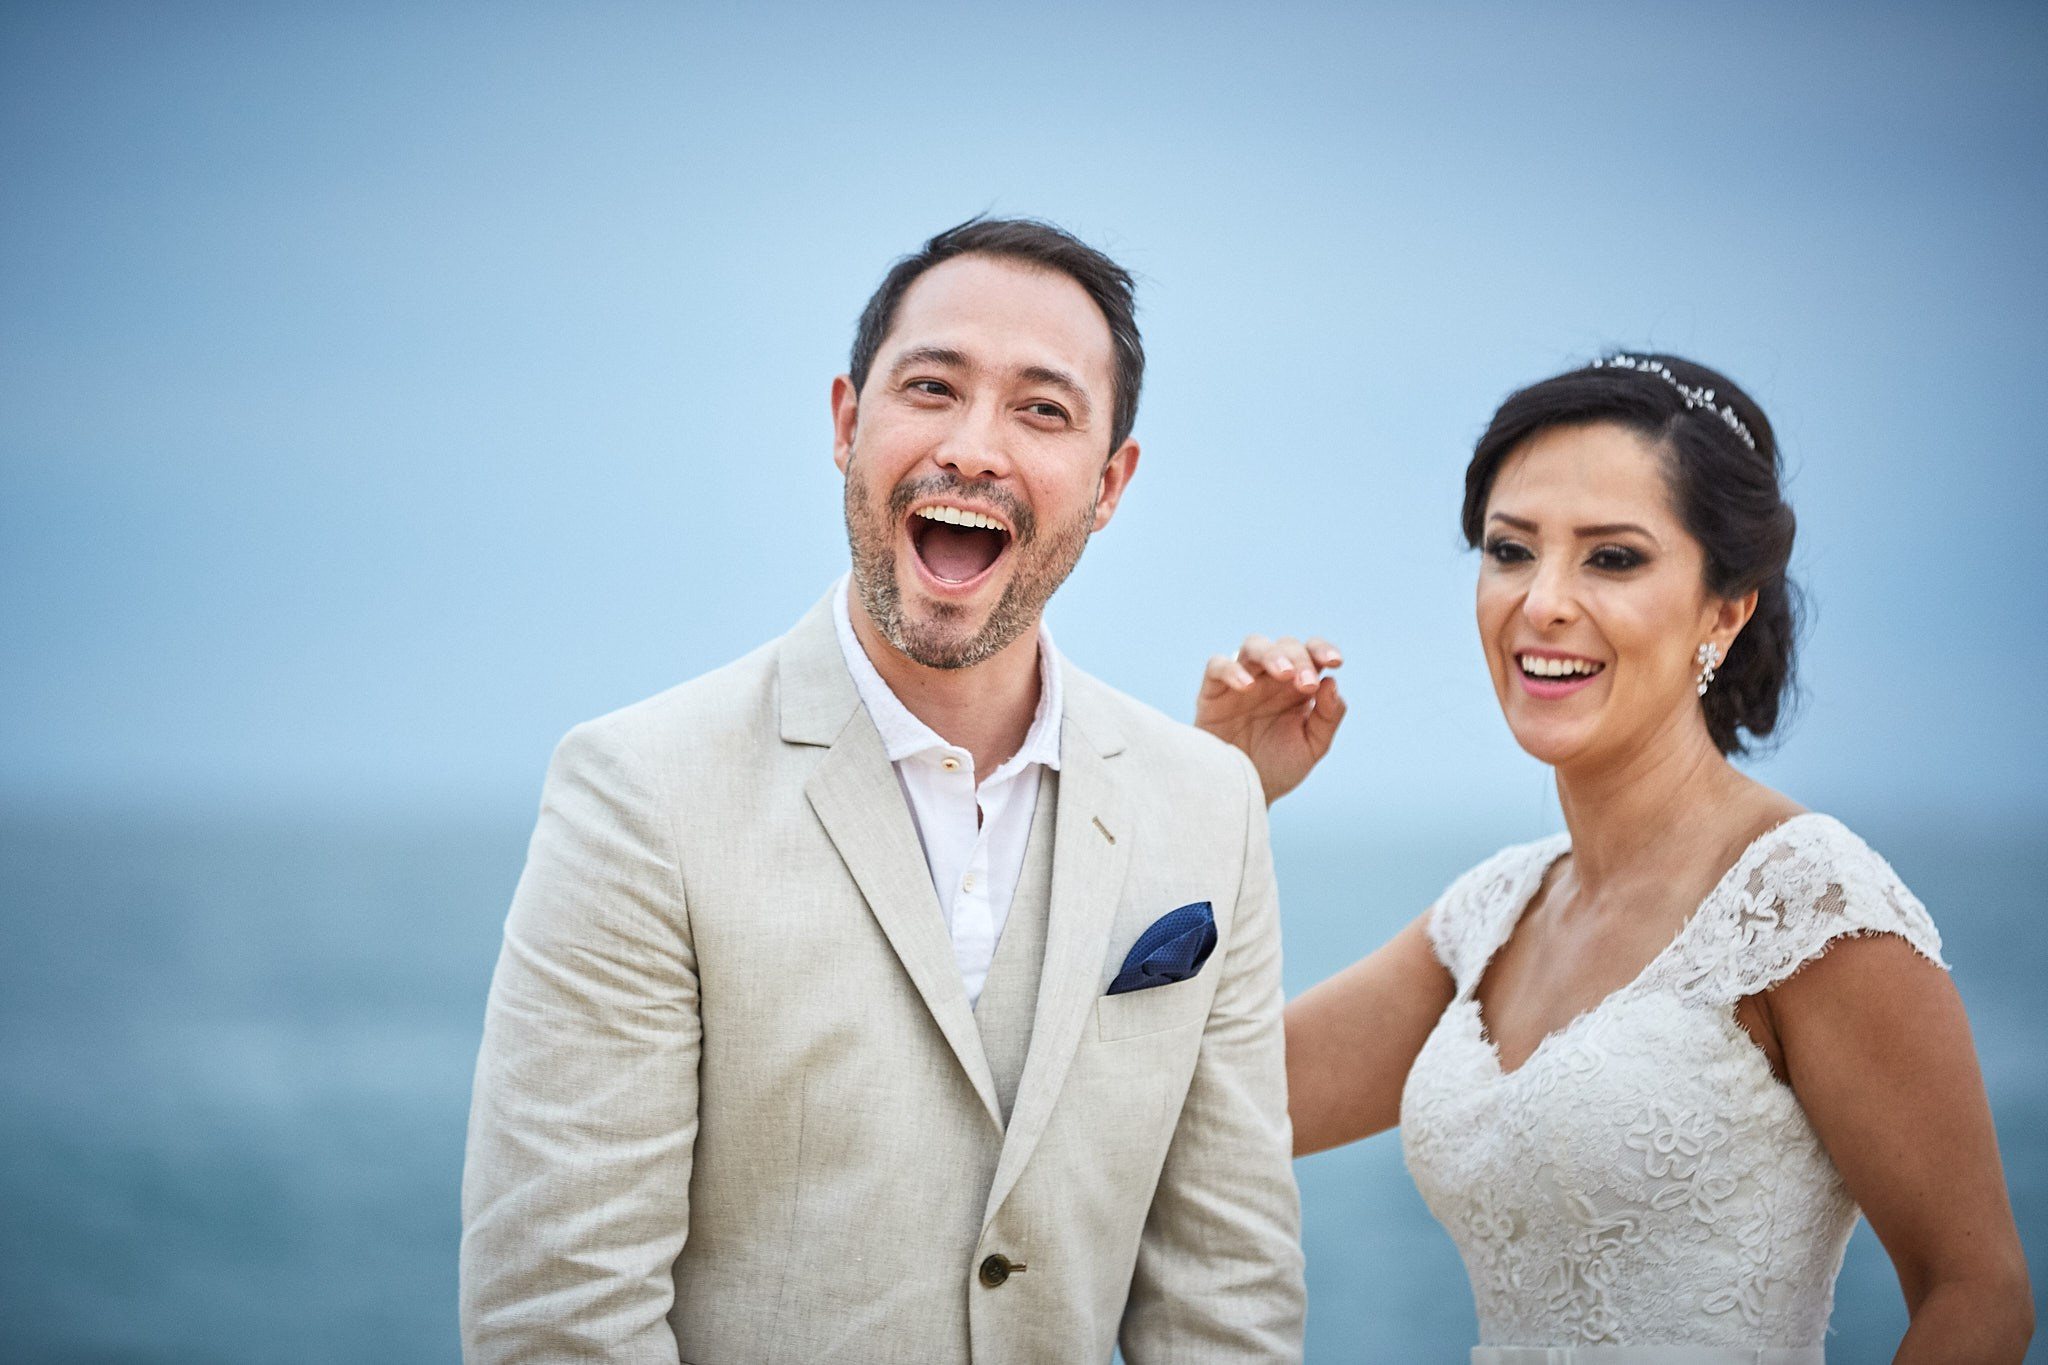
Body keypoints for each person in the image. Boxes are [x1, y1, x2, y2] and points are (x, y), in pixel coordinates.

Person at [460, 218, 1305, 1364]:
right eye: (931, 387)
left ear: (1109, 486)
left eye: (1040, 410)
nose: (972, 447)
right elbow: (562, 1313)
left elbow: (1227, 1297)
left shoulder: (1208, 804)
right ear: (848, 424)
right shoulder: (640, 791)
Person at [1197, 354, 2033, 1362]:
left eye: (1612, 559)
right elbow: (1199, 1102)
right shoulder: (1491, 916)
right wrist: (1218, 791)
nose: (1541, 601)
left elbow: (1975, 1295)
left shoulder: (1805, 904)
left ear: (1725, 610)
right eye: (1510, 550)